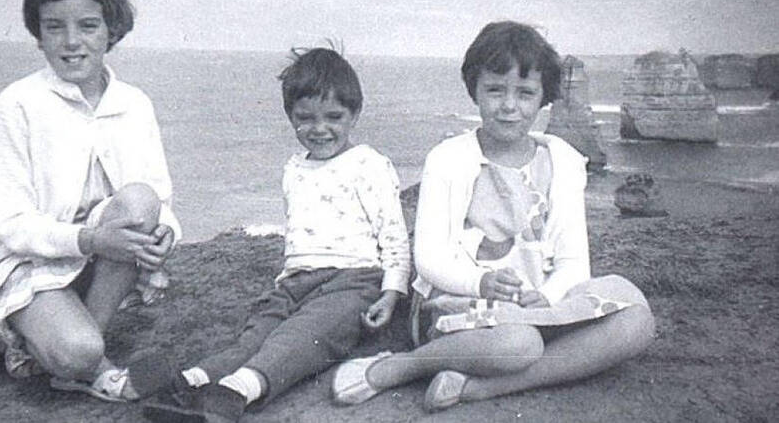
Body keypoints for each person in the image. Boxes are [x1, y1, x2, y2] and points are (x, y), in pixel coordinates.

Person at [332, 21, 656, 412]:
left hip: (539, 309)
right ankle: (402, 367)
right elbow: (430, 259)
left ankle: (477, 389)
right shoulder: (449, 158)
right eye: (495, 90)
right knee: (517, 344)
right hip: (460, 303)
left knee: (636, 320)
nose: (509, 105)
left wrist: (547, 298)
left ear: (542, 98)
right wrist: (481, 282)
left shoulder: (564, 161)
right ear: (475, 91)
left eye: (525, 93)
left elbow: (574, 262)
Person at [0, 0, 180, 403]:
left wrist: (164, 236)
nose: (71, 41)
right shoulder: (18, 104)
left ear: (111, 30)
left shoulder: (133, 103)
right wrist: (93, 241)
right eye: (54, 26)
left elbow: (158, 198)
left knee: (139, 200)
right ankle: (67, 350)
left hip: (100, 263)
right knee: (79, 351)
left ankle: (62, 350)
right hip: (30, 262)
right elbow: (10, 223)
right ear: (38, 32)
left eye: (88, 25)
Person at [136, 48, 411, 422]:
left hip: (354, 280)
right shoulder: (293, 169)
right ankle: (192, 381)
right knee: (256, 333)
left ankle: (239, 390)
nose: (319, 128)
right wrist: (289, 283)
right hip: (294, 281)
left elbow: (394, 235)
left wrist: (392, 293)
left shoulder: (369, 164)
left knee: (304, 334)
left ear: (355, 114)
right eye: (305, 118)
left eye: (334, 117)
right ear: (290, 117)